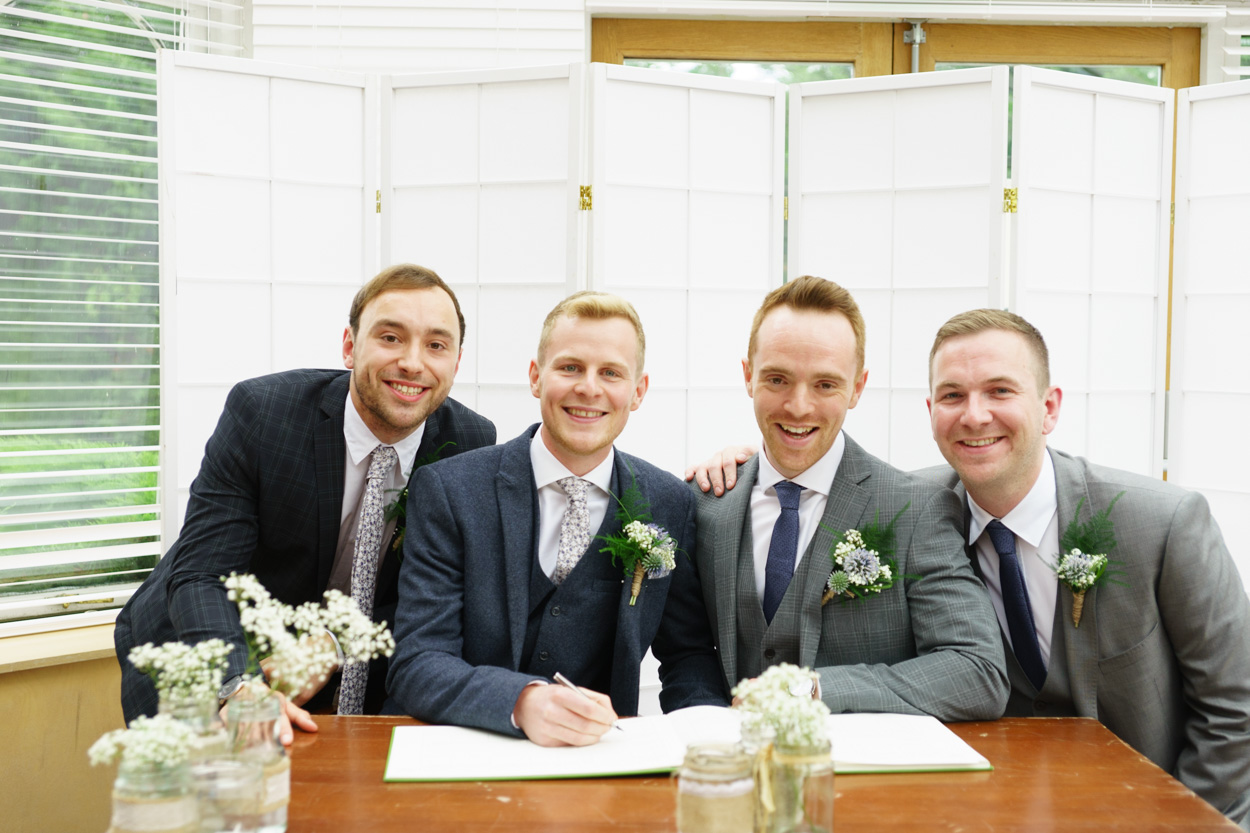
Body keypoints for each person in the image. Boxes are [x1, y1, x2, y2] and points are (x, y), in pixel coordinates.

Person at [114, 264, 496, 739]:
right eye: (391, 338)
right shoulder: (264, 413)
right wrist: (237, 687)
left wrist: (335, 644)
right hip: (202, 646)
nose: (413, 363)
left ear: (457, 363)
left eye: (436, 345)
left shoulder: (471, 443)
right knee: (210, 805)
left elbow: (436, 592)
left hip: (349, 668)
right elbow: (201, 573)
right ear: (350, 347)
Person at [924, 308, 1250, 828]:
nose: (975, 415)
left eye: (1000, 391)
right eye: (952, 395)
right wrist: (746, 470)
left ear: (1049, 407)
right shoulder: (910, 512)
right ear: (931, 409)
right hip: (978, 814)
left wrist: (1190, 823)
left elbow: (1235, 711)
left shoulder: (1165, 524)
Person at [385, 291, 728, 746]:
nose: (589, 388)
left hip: (598, 759)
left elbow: (687, 655)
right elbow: (418, 661)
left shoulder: (670, 502)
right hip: (464, 750)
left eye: (610, 373)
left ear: (639, 391)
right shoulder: (450, 491)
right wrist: (520, 701)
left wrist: (711, 737)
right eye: (570, 368)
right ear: (536, 376)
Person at [687, 275, 1007, 720]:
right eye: (777, 379)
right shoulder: (705, 503)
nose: (799, 407)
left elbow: (978, 672)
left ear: (857, 387)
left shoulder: (916, 510)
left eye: (825, 385)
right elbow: (688, 654)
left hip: (866, 777)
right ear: (748, 376)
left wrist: (817, 690)